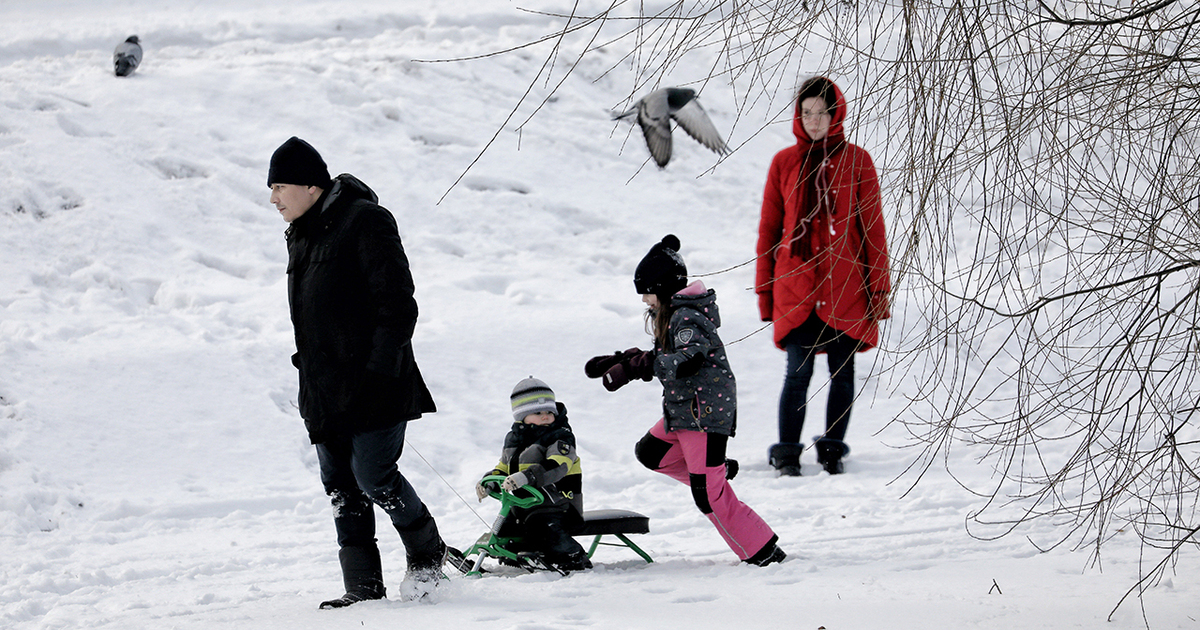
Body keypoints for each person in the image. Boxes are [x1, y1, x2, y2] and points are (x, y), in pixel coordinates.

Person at [268, 136, 446, 608]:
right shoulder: (300, 233)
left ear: (311, 185)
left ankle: (429, 557)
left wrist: (380, 371)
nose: (273, 199)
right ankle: (363, 589)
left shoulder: (366, 220)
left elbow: (398, 304)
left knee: (373, 476)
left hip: (374, 385)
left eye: (279, 186)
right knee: (341, 488)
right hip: (323, 389)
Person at [586, 235, 786, 566]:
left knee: (708, 498)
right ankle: (711, 472)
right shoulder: (677, 315)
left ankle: (764, 553)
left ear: (662, 288)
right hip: (683, 412)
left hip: (703, 413)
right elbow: (666, 354)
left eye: (647, 293)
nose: (646, 301)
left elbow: (689, 358)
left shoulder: (687, 318)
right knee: (652, 452)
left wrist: (642, 366)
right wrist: (625, 359)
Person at [755, 77, 891, 477]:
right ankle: (787, 453)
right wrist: (766, 293)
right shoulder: (784, 162)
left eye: (822, 112)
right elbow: (769, 232)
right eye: (807, 112)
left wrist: (878, 291)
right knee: (797, 372)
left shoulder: (857, 161)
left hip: (846, 286)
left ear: (837, 114)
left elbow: (872, 232)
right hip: (795, 288)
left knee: (842, 372)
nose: (814, 120)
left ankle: (832, 449)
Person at [473, 377, 593, 572]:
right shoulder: (514, 438)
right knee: (507, 530)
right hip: (524, 504)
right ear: (522, 416)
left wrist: (527, 477)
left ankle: (573, 556)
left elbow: (557, 465)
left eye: (549, 412)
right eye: (538, 412)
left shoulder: (561, 436)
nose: (545, 416)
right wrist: (490, 481)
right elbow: (505, 466)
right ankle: (518, 556)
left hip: (559, 503)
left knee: (543, 527)